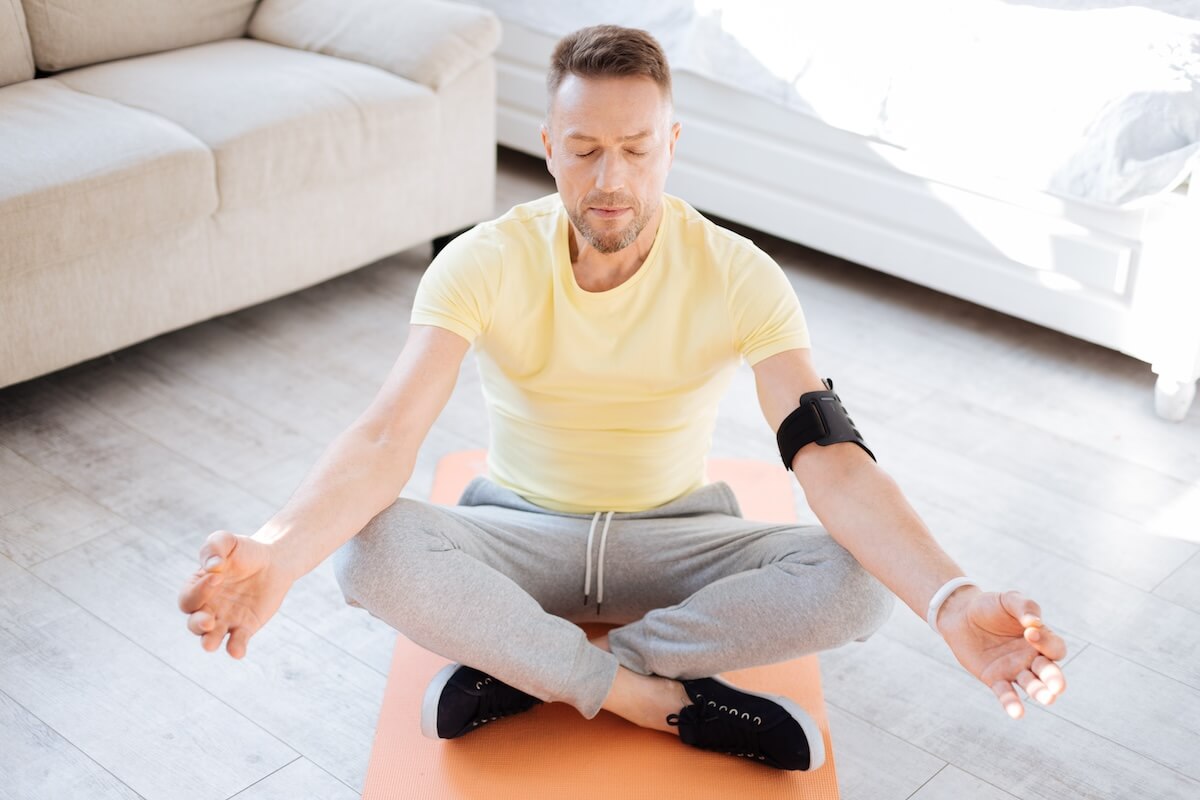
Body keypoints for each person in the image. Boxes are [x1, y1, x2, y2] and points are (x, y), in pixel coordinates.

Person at [177, 25, 1067, 772]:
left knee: (861, 583)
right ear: (548, 147)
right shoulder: (482, 260)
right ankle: (655, 699)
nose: (612, 182)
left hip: (674, 539)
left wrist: (948, 600)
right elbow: (384, 437)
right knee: (369, 551)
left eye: (637, 150)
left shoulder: (740, 274)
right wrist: (278, 552)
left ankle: (535, 673)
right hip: (519, 534)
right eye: (587, 150)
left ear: (671, 146)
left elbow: (828, 457)